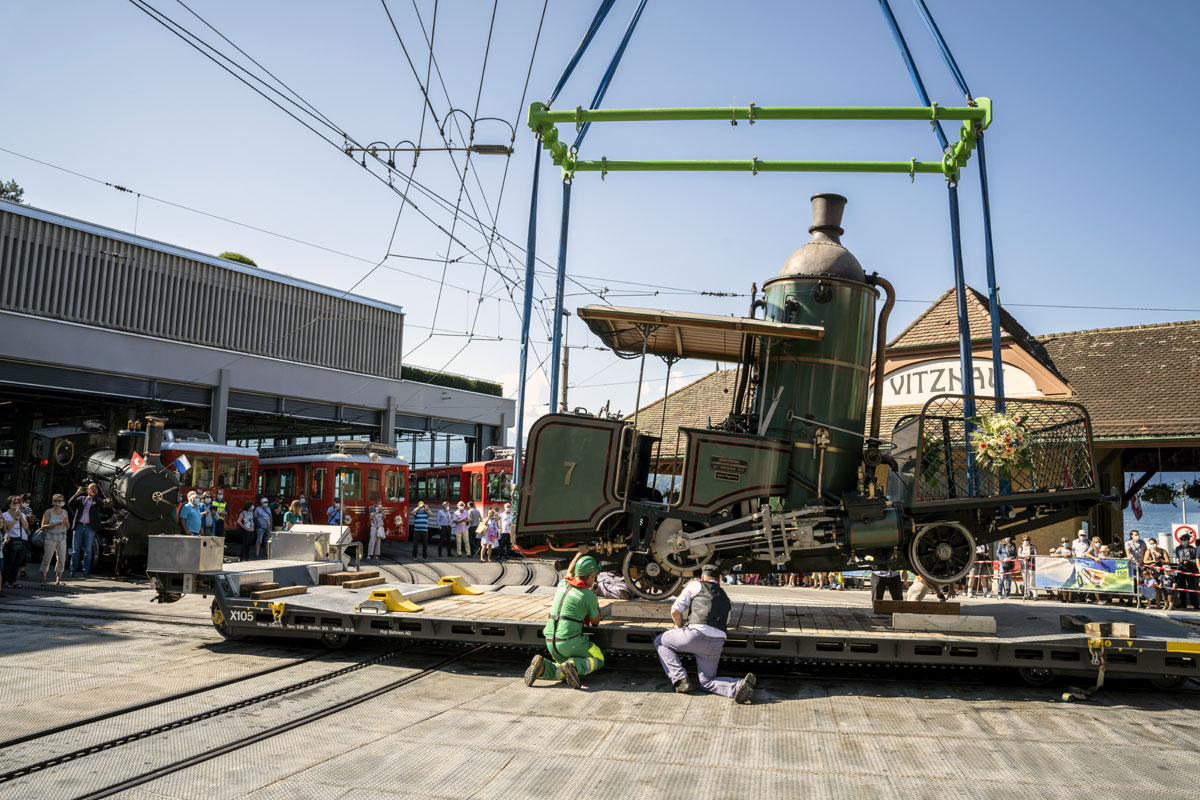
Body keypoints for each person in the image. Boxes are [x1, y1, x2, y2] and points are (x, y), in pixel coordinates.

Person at [653, 563, 757, 703]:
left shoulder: (695, 585)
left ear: (702, 576)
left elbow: (675, 610)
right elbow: (725, 622)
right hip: (717, 643)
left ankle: (680, 680)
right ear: (718, 579)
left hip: (695, 635)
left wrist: (680, 629)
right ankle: (738, 686)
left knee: (660, 641)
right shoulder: (726, 598)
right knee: (707, 682)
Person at [524, 548, 606, 690]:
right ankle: (574, 664)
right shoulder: (588, 596)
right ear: (590, 577)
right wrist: (595, 597)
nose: (595, 578)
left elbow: (570, 571)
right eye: (594, 576)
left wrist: (580, 553)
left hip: (550, 640)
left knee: (561, 671)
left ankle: (542, 666)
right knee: (598, 658)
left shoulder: (564, 583)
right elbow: (596, 622)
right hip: (569, 642)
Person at [67, 482, 105, 578]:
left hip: (90, 528)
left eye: (92, 489)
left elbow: (102, 505)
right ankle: (72, 570)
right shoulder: (81, 499)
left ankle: (86, 571)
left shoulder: (97, 500)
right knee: (75, 550)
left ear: (95, 490)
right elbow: (70, 503)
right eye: (88, 489)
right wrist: (76, 494)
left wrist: (94, 496)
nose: (89, 491)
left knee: (88, 551)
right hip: (79, 526)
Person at [39, 493, 70, 585]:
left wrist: (66, 523)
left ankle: (58, 579)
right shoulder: (48, 512)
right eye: (58, 500)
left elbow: (68, 526)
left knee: (61, 558)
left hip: (62, 537)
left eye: (62, 500)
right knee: (47, 558)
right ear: (53, 502)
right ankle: (44, 579)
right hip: (50, 536)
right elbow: (43, 526)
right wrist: (55, 524)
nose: (60, 502)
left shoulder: (65, 512)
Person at [2, 495, 32, 588]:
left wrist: (20, 517)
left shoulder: (22, 514)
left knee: (17, 561)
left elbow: (26, 526)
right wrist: (15, 519)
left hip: (21, 539)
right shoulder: (5, 515)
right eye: (14, 503)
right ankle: (5, 580)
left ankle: (13, 580)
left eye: (18, 503)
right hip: (10, 539)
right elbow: (8, 527)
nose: (16, 504)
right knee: (9, 561)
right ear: (9, 504)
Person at [1173, 532, 1199, 611]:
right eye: (1182, 540)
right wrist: (1181, 561)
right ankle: (1182, 603)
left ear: (1188, 540)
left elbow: (1196, 560)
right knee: (1181, 586)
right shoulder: (1178, 548)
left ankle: (1195, 603)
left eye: (1185, 540)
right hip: (1181, 568)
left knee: (1192, 586)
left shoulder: (1192, 549)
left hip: (1190, 568)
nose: (1183, 541)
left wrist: (1189, 561)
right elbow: (1177, 557)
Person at [1144, 537, 1171, 609]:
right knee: (1155, 588)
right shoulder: (1148, 551)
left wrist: (1160, 560)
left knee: (1163, 588)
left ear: (1157, 543)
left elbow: (1168, 561)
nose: (1153, 545)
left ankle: (1166, 603)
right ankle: (1157, 603)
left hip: (1161, 571)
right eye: (1151, 544)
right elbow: (1145, 561)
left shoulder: (1163, 551)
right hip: (1153, 571)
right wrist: (1153, 561)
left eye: (1154, 543)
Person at [1018, 535, 1038, 600]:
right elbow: (1019, 555)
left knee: (1032, 580)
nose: (1025, 541)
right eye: (1024, 540)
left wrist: (1030, 555)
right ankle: (1027, 594)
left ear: (1029, 540)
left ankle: (1035, 595)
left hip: (1031, 565)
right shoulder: (1020, 547)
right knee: (1026, 581)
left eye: (1026, 540)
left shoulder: (1033, 547)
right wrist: (1024, 555)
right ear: (1022, 541)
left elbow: (1035, 555)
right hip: (1023, 565)